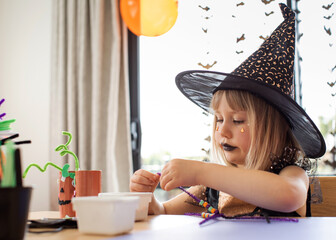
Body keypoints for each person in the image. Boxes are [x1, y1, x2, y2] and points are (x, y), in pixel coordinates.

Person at [130, 3, 326, 218]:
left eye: (238, 120)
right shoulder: (211, 188)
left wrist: (201, 171)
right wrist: (147, 197)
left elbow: (289, 196)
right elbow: (163, 212)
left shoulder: (290, 174)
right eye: (219, 119)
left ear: (274, 130)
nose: (222, 132)